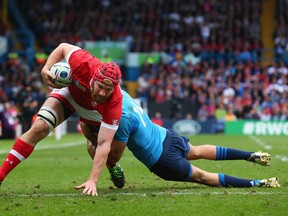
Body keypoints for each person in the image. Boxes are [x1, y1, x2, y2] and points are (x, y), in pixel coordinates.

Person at [77, 90, 280, 196]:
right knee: (198, 150)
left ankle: (256, 183)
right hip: (167, 136)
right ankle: (251, 155)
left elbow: (113, 156)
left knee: (202, 176)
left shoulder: (120, 119)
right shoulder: (122, 93)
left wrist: (93, 141)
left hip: (161, 159)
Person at [0, 43, 125, 193]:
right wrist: (46, 68)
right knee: (39, 128)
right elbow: (63, 47)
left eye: (108, 90)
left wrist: (93, 180)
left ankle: (112, 166)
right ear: (94, 78)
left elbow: (104, 144)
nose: (103, 93)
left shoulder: (114, 102)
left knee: (101, 150)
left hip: (94, 110)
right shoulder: (83, 62)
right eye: (100, 87)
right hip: (70, 94)